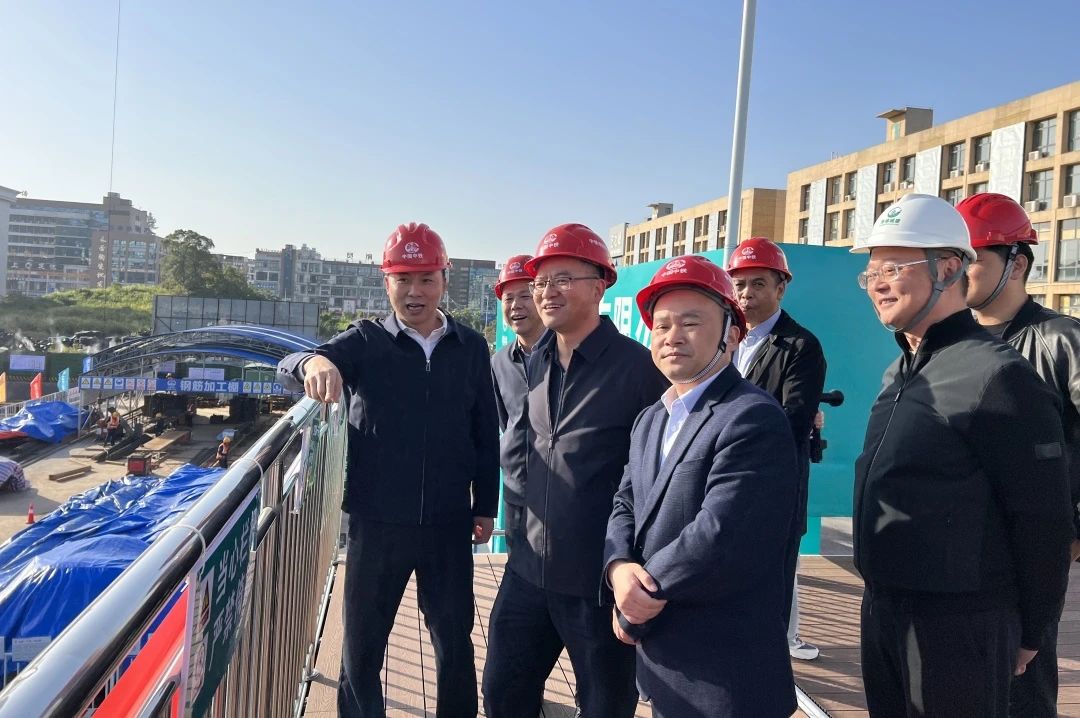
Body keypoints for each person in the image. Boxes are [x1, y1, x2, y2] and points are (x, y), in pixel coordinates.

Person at [851, 193, 1073, 717]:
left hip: (959, 625)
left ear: (949, 267)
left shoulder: (1000, 376)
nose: (878, 283)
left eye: (894, 267)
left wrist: (1033, 628)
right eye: (872, 272)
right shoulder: (899, 373)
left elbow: (1043, 517)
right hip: (885, 610)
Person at [277, 222, 499, 718]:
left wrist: (485, 503)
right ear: (386, 282)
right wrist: (313, 364)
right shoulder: (366, 340)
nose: (414, 291)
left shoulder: (470, 346)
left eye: (426, 279)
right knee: (362, 647)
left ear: (444, 279)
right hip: (376, 522)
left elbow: (485, 432)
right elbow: (289, 363)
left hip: (447, 522)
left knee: (454, 640)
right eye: (403, 279)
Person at [482, 224, 668, 718]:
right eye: (541, 282)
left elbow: (660, 480)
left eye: (562, 279)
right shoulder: (535, 361)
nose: (546, 292)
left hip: (598, 582)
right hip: (528, 570)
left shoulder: (639, 370)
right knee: (502, 693)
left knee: (604, 705)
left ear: (600, 285)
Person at [604, 255, 798, 717]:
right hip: (665, 664)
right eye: (662, 325)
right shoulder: (651, 418)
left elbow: (720, 534)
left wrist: (637, 600)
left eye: (691, 322)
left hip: (725, 672)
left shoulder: (752, 416)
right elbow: (626, 501)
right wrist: (617, 567)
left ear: (731, 334)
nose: (672, 336)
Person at [959, 192, 1080, 716]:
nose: (956, 271)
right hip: (961, 554)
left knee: (1022, 688)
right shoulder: (949, 343)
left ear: (1017, 264)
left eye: (970, 259)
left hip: (1029, 552)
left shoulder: (1061, 340)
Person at [727, 237, 826, 661]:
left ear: (781, 287)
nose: (746, 294)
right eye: (740, 284)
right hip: (722, 491)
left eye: (758, 284)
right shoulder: (725, 339)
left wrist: (722, 439)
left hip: (773, 494)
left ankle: (768, 674)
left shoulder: (801, 346)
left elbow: (792, 422)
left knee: (769, 598)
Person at [490, 254, 547, 551]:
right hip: (516, 493)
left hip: (559, 496)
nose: (516, 306)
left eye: (525, 295)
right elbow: (506, 423)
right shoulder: (499, 362)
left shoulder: (567, 356)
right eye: (508, 298)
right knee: (518, 565)